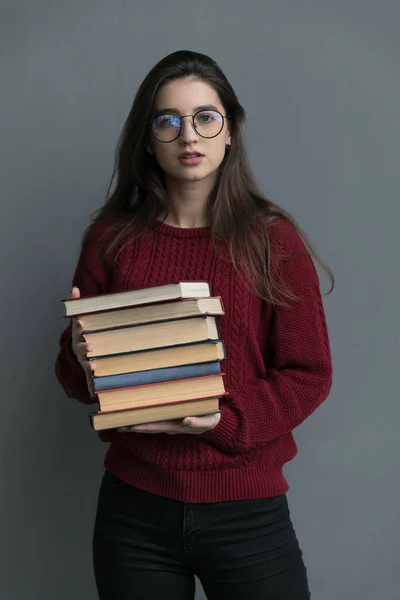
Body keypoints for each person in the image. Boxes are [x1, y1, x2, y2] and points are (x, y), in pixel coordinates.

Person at [55, 49, 333, 600]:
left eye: (207, 117)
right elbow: (74, 373)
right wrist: (82, 361)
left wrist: (222, 419)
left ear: (230, 132)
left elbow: (309, 373)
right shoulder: (110, 239)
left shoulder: (272, 241)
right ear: (148, 137)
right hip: (134, 511)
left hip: (247, 512)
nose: (190, 135)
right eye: (169, 121)